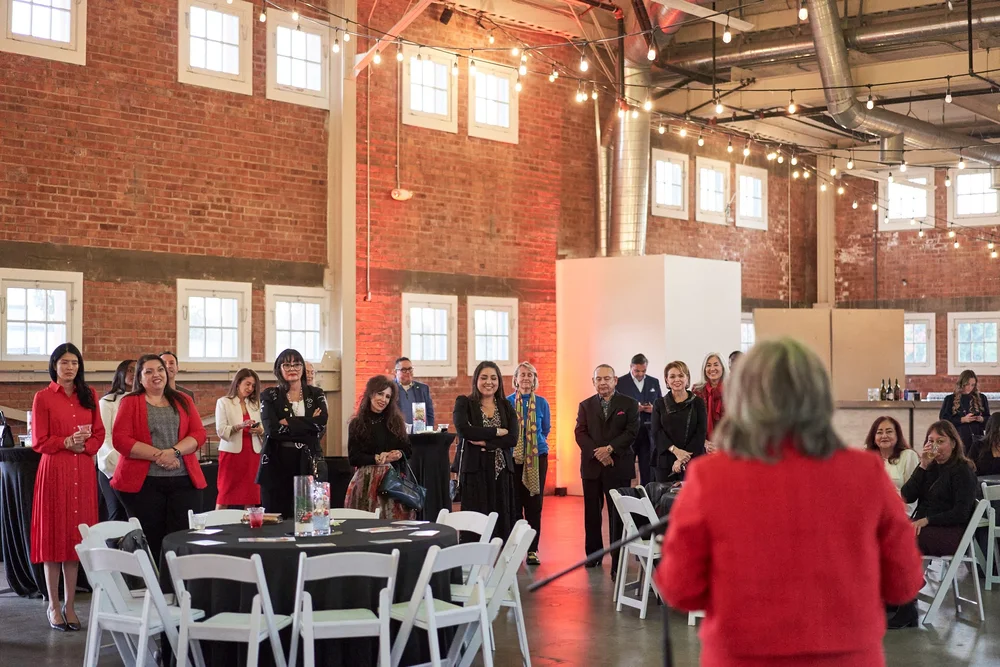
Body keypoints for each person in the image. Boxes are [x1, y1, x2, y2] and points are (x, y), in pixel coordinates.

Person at [654, 339, 924, 665]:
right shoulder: (866, 473)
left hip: (742, 654)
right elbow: (905, 582)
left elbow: (680, 588)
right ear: (820, 397)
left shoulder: (710, 477)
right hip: (846, 655)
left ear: (742, 399)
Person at [30, 343, 104, 632]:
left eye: (74, 362)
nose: (69, 367)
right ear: (54, 366)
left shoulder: (90, 395)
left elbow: (99, 433)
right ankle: (52, 604)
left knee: (75, 540)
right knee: (53, 539)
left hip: (83, 470)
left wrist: (86, 447)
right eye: (64, 362)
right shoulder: (43, 397)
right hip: (55, 470)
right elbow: (39, 441)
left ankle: (70, 605)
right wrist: (65, 443)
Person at [112, 354, 207, 562]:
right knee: (152, 540)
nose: (156, 375)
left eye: (160, 369)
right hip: (145, 484)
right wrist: (159, 456)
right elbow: (121, 440)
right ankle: (154, 589)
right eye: (149, 371)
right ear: (140, 377)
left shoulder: (184, 400)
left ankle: (178, 588)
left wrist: (173, 452)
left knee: (182, 538)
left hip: (184, 480)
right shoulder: (130, 402)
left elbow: (199, 434)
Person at [897, 420, 978, 627]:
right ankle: (898, 598)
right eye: (930, 441)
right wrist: (923, 465)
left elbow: (961, 513)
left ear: (953, 443)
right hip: (926, 528)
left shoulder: (963, 470)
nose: (934, 446)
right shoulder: (930, 467)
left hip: (951, 533)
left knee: (901, 540)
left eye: (940, 441)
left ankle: (907, 607)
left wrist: (927, 520)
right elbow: (906, 494)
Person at [574, 364, 639, 577]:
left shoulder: (629, 404)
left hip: (618, 466)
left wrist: (610, 449)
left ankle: (618, 560)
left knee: (617, 514)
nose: (603, 383)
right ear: (593, 382)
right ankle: (593, 555)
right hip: (592, 467)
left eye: (607, 378)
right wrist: (598, 453)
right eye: (598, 379)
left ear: (615, 380)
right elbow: (580, 433)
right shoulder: (585, 406)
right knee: (591, 514)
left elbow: (631, 432)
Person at [257, 348, 329, 518]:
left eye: (297, 364)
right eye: (287, 365)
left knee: (310, 517)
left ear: (303, 368)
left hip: (309, 460)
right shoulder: (269, 395)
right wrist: (308, 423)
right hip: (277, 462)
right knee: (277, 518)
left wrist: (288, 421)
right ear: (279, 369)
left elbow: (321, 423)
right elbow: (272, 430)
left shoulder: (316, 394)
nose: (292, 369)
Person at [454, 361, 518, 540]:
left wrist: (486, 443)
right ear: (476, 380)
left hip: (501, 472)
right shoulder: (464, 403)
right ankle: (472, 562)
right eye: (484, 377)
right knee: (475, 520)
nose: (488, 382)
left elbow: (513, 438)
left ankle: (501, 562)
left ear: (499, 381)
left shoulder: (506, 406)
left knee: (502, 520)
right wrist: (496, 432)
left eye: (493, 378)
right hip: (474, 471)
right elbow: (464, 431)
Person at [345, 376, 414, 519]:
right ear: (371, 393)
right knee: (365, 523)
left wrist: (398, 454)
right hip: (366, 480)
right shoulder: (357, 423)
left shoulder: (395, 422)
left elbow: (408, 450)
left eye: (388, 396)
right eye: (380, 394)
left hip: (392, 480)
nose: (384, 400)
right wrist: (376, 458)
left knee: (392, 524)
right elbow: (353, 458)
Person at [507, 361, 551, 565]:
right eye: (522, 374)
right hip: (513, 459)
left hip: (537, 458)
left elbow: (545, 429)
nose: (526, 378)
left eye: (530, 375)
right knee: (514, 504)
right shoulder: (506, 402)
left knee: (534, 504)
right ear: (515, 379)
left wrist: (531, 445)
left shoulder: (542, 403)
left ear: (535, 379)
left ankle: (532, 550)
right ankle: (516, 547)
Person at [214, 369, 264, 509]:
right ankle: (218, 527)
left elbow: (265, 427)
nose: (250, 388)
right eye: (247, 384)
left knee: (251, 495)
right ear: (237, 383)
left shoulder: (256, 404)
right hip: (231, 455)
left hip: (253, 454)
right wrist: (239, 426)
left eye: (253, 386)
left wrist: (260, 430)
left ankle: (251, 528)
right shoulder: (223, 402)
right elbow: (221, 431)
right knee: (225, 494)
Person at [651, 361, 707, 482]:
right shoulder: (659, 403)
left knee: (691, 500)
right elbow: (656, 432)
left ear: (687, 378)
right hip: (665, 459)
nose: (677, 379)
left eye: (681, 375)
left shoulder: (698, 402)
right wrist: (676, 452)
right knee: (664, 499)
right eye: (672, 376)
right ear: (666, 380)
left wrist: (682, 458)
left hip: (692, 458)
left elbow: (700, 432)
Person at [615, 354, 662, 486]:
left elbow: (660, 405)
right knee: (625, 471)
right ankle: (624, 500)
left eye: (643, 371)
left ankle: (647, 501)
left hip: (648, 434)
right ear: (631, 367)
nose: (640, 374)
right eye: (637, 371)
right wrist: (633, 409)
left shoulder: (654, 382)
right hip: (627, 434)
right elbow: (616, 407)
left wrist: (654, 409)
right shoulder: (620, 382)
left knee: (648, 470)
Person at [97, 359, 134, 522]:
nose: (134, 374)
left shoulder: (143, 400)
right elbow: (104, 437)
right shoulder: (108, 402)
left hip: (138, 466)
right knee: (117, 515)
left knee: (134, 516)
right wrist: (119, 463)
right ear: (121, 372)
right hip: (113, 466)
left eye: (138, 370)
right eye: (130, 370)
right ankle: (111, 548)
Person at [864, 416, 919, 516]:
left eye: (889, 431)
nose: (884, 436)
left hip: (901, 516)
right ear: (874, 437)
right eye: (879, 432)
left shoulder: (908, 456)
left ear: (897, 435)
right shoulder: (868, 459)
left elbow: (913, 496)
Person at [939, 370, 990, 455]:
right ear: (961, 383)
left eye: (972, 385)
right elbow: (943, 420)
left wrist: (981, 419)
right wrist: (962, 420)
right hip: (958, 439)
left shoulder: (981, 398)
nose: (969, 387)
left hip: (977, 439)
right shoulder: (950, 399)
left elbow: (989, 419)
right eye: (967, 384)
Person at [692, 353, 726, 454]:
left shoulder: (732, 389)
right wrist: (705, 442)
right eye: (708, 365)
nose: (712, 368)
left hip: (727, 445)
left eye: (716, 364)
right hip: (702, 445)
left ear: (722, 367)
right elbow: (693, 421)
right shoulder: (697, 390)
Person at [394, 357, 435, 427]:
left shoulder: (423, 389)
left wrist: (429, 432)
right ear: (395, 372)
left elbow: (429, 414)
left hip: (419, 433)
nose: (408, 372)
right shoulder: (390, 389)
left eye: (410, 369)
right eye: (404, 370)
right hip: (397, 433)